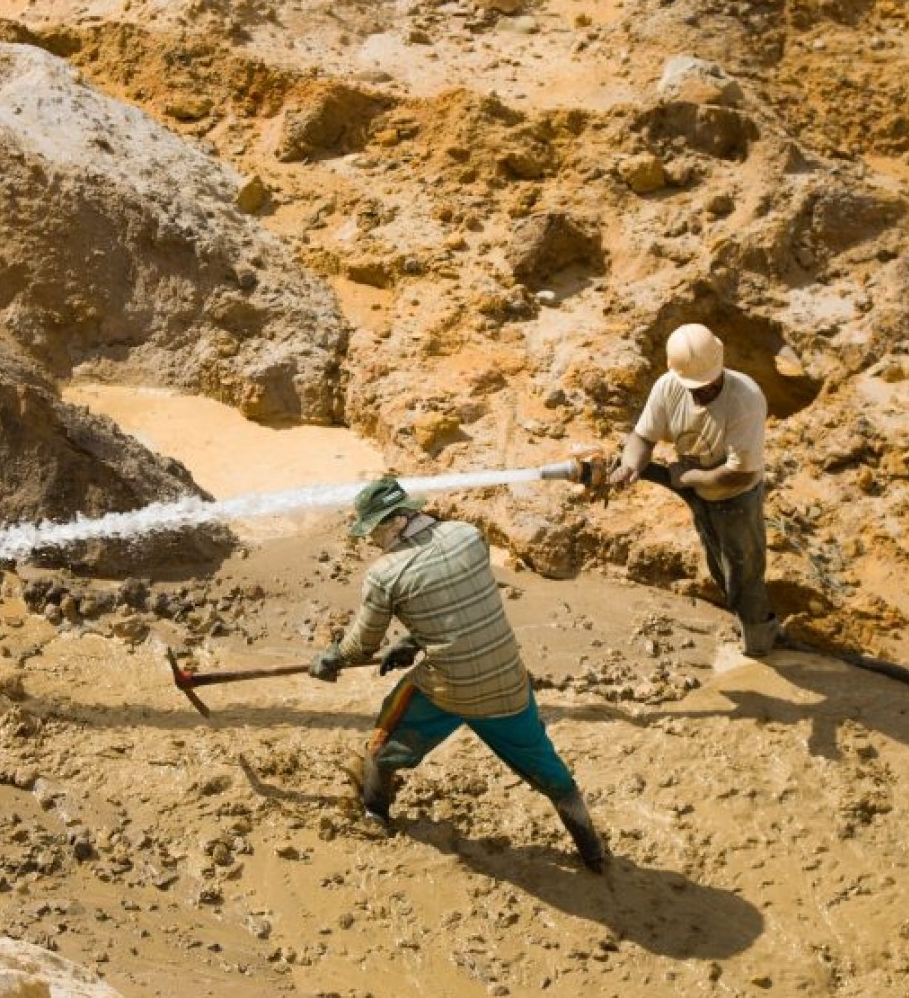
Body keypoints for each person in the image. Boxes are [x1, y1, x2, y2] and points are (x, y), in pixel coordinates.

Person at [306, 477, 606, 872]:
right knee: (550, 772)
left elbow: (361, 645)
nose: (372, 541)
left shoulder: (386, 574)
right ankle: (592, 852)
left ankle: (374, 814)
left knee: (383, 741)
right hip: (508, 680)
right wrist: (415, 638)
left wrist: (331, 659)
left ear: (390, 522)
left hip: (449, 688)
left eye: (373, 530)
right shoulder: (468, 536)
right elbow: (458, 601)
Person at [607, 322, 781, 655]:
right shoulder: (669, 386)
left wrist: (684, 479)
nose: (701, 393)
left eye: (709, 386)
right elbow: (643, 438)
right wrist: (631, 466)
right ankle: (738, 614)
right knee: (718, 560)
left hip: (735, 494)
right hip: (694, 482)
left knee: (744, 567)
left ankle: (760, 637)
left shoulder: (745, 399)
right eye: (695, 387)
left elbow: (739, 475)